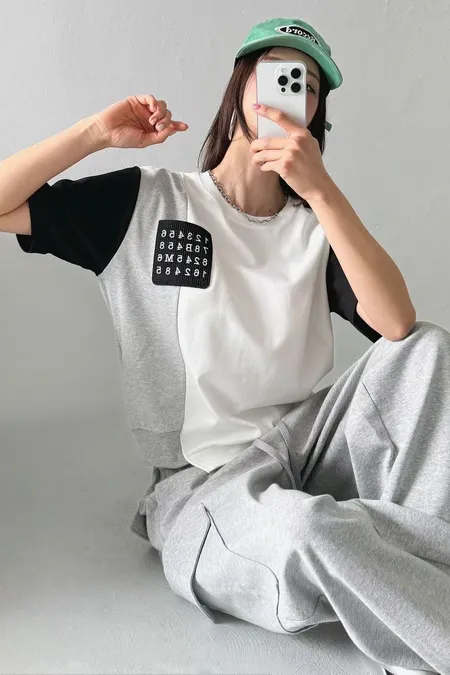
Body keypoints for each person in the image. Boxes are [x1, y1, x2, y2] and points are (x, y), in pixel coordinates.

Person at [0, 15, 449, 675]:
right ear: (238, 87)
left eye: (307, 86)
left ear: (317, 114)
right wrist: (96, 133)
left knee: (430, 348)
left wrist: (321, 190)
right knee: (312, 531)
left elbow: (398, 326)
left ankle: (406, 578)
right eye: (274, 73)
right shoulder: (149, 204)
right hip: (203, 488)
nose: (290, 91)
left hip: (306, 448)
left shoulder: (315, 227)